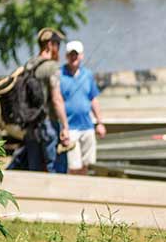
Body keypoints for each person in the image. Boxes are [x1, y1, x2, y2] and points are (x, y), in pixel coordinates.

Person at [8, 27, 71, 173]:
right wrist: (65, 126)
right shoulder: (52, 67)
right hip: (48, 124)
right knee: (54, 168)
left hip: (31, 125)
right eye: (57, 44)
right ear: (50, 45)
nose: (58, 49)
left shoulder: (29, 65)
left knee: (34, 169)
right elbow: (56, 99)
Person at [57, 40, 106, 175]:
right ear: (66, 56)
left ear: (81, 56)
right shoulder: (59, 75)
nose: (74, 57)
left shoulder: (88, 75)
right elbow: (57, 101)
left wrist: (100, 123)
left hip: (87, 126)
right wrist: (64, 127)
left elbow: (93, 99)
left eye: (76, 54)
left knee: (87, 164)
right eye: (71, 55)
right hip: (70, 128)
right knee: (73, 166)